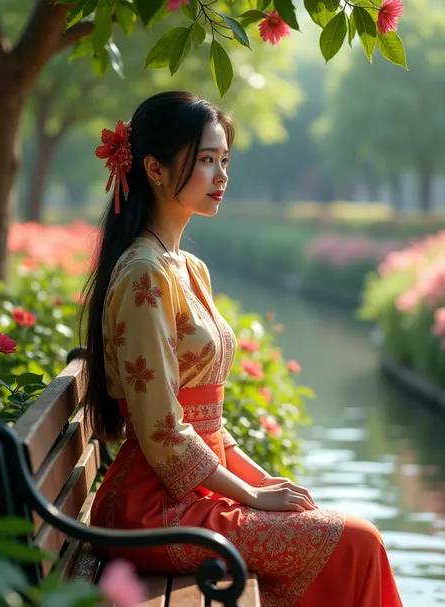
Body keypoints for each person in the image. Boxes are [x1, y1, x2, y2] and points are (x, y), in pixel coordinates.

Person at [82, 91, 403, 607]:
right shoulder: (144, 275)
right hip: (152, 509)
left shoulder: (187, 268)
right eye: (206, 160)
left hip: (186, 496)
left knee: (343, 533)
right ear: (155, 169)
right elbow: (164, 433)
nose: (222, 176)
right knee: (357, 540)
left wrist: (266, 482)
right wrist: (253, 497)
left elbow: (208, 422)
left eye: (224, 160)